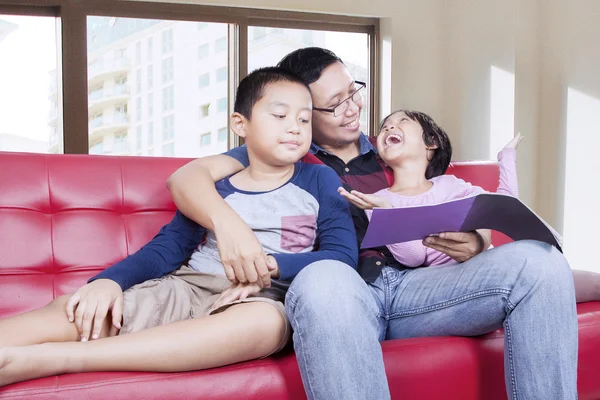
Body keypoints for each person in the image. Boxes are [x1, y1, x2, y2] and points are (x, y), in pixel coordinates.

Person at [166, 48, 578, 400]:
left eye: (353, 92)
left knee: (539, 262)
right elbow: (185, 179)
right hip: (337, 294)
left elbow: (458, 198)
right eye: (335, 104)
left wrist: (476, 241)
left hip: (416, 290)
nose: (353, 108)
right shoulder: (279, 152)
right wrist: (229, 224)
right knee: (325, 277)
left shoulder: (394, 148)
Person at [0, 67, 357, 387]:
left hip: (261, 298)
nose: (295, 127)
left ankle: (54, 359)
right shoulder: (216, 185)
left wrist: (274, 265)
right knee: (86, 308)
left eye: (304, 119)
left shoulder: (319, 179)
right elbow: (168, 248)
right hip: (188, 286)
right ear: (240, 124)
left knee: (267, 327)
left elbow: (341, 257)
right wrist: (109, 281)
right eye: (279, 115)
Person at [340, 109, 600, 303]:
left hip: (489, 265)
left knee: (557, 269)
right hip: (450, 286)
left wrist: (507, 156)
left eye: (402, 122)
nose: (389, 128)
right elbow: (414, 257)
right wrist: (387, 211)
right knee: (538, 275)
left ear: (431, 143)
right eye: (385, 126)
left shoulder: (450, 184)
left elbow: (502, 205)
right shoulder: (377, 200)